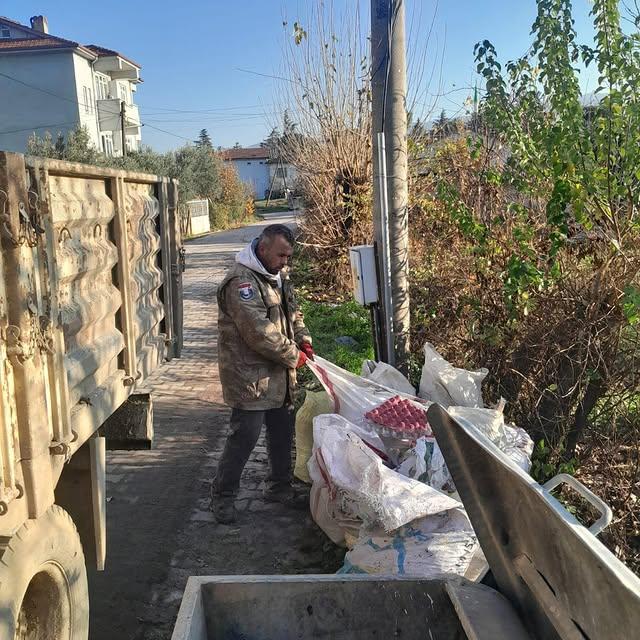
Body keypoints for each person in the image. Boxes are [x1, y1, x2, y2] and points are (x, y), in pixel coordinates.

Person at [211, 224, 314, 523]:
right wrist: (294, 356)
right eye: (281, 255)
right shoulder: (240, 282)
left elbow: (293, 314)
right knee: (245, 436)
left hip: (279, 374)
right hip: (249, 377)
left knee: (282, 433)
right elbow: (258, 331)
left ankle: (279, 487)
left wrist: (303, 339)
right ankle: (223, 495)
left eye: (289, 256)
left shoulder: (278, 275)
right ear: (263, 247)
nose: (286, 262)